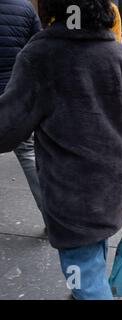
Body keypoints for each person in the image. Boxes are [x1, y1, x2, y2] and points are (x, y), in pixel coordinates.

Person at [0, 0, 122, 300]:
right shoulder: (119, 55)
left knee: (85, 278)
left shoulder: (41, 56)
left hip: (71, 193)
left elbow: (7, 129)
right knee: (92, 256)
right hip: (113, 186)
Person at [0, 0, 43, 216]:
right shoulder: (25, 8)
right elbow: (38, 48)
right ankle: (51, 215)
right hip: (14, 91)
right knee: (28, 152)